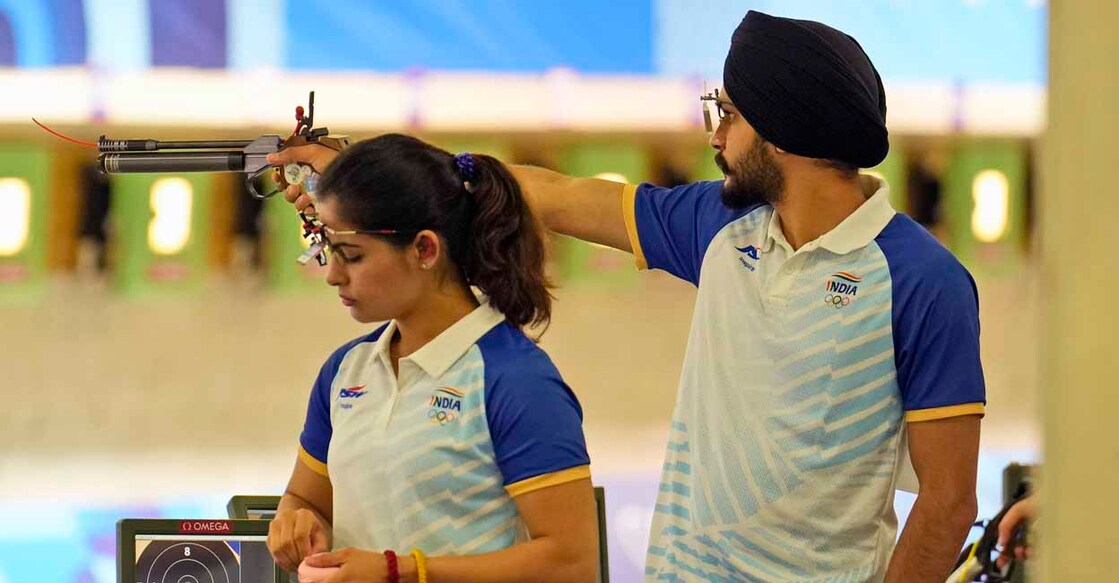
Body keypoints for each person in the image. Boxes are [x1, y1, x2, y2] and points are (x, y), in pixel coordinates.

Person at [270, 11, 985, 582]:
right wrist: (367, 172)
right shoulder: (721, 223)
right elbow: (561, 195)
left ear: (781, 130)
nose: (715, 134)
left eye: (728, 113)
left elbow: (948, 500)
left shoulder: (923, 281)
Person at [265, 134, 600, 583]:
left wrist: (400, 572)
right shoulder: (345, 370)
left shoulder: (516, 379)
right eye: (329, 253)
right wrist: (296, 521)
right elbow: (305, 500)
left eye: (352, 255)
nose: (332, 275)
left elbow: (571, 563)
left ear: (424, 249)